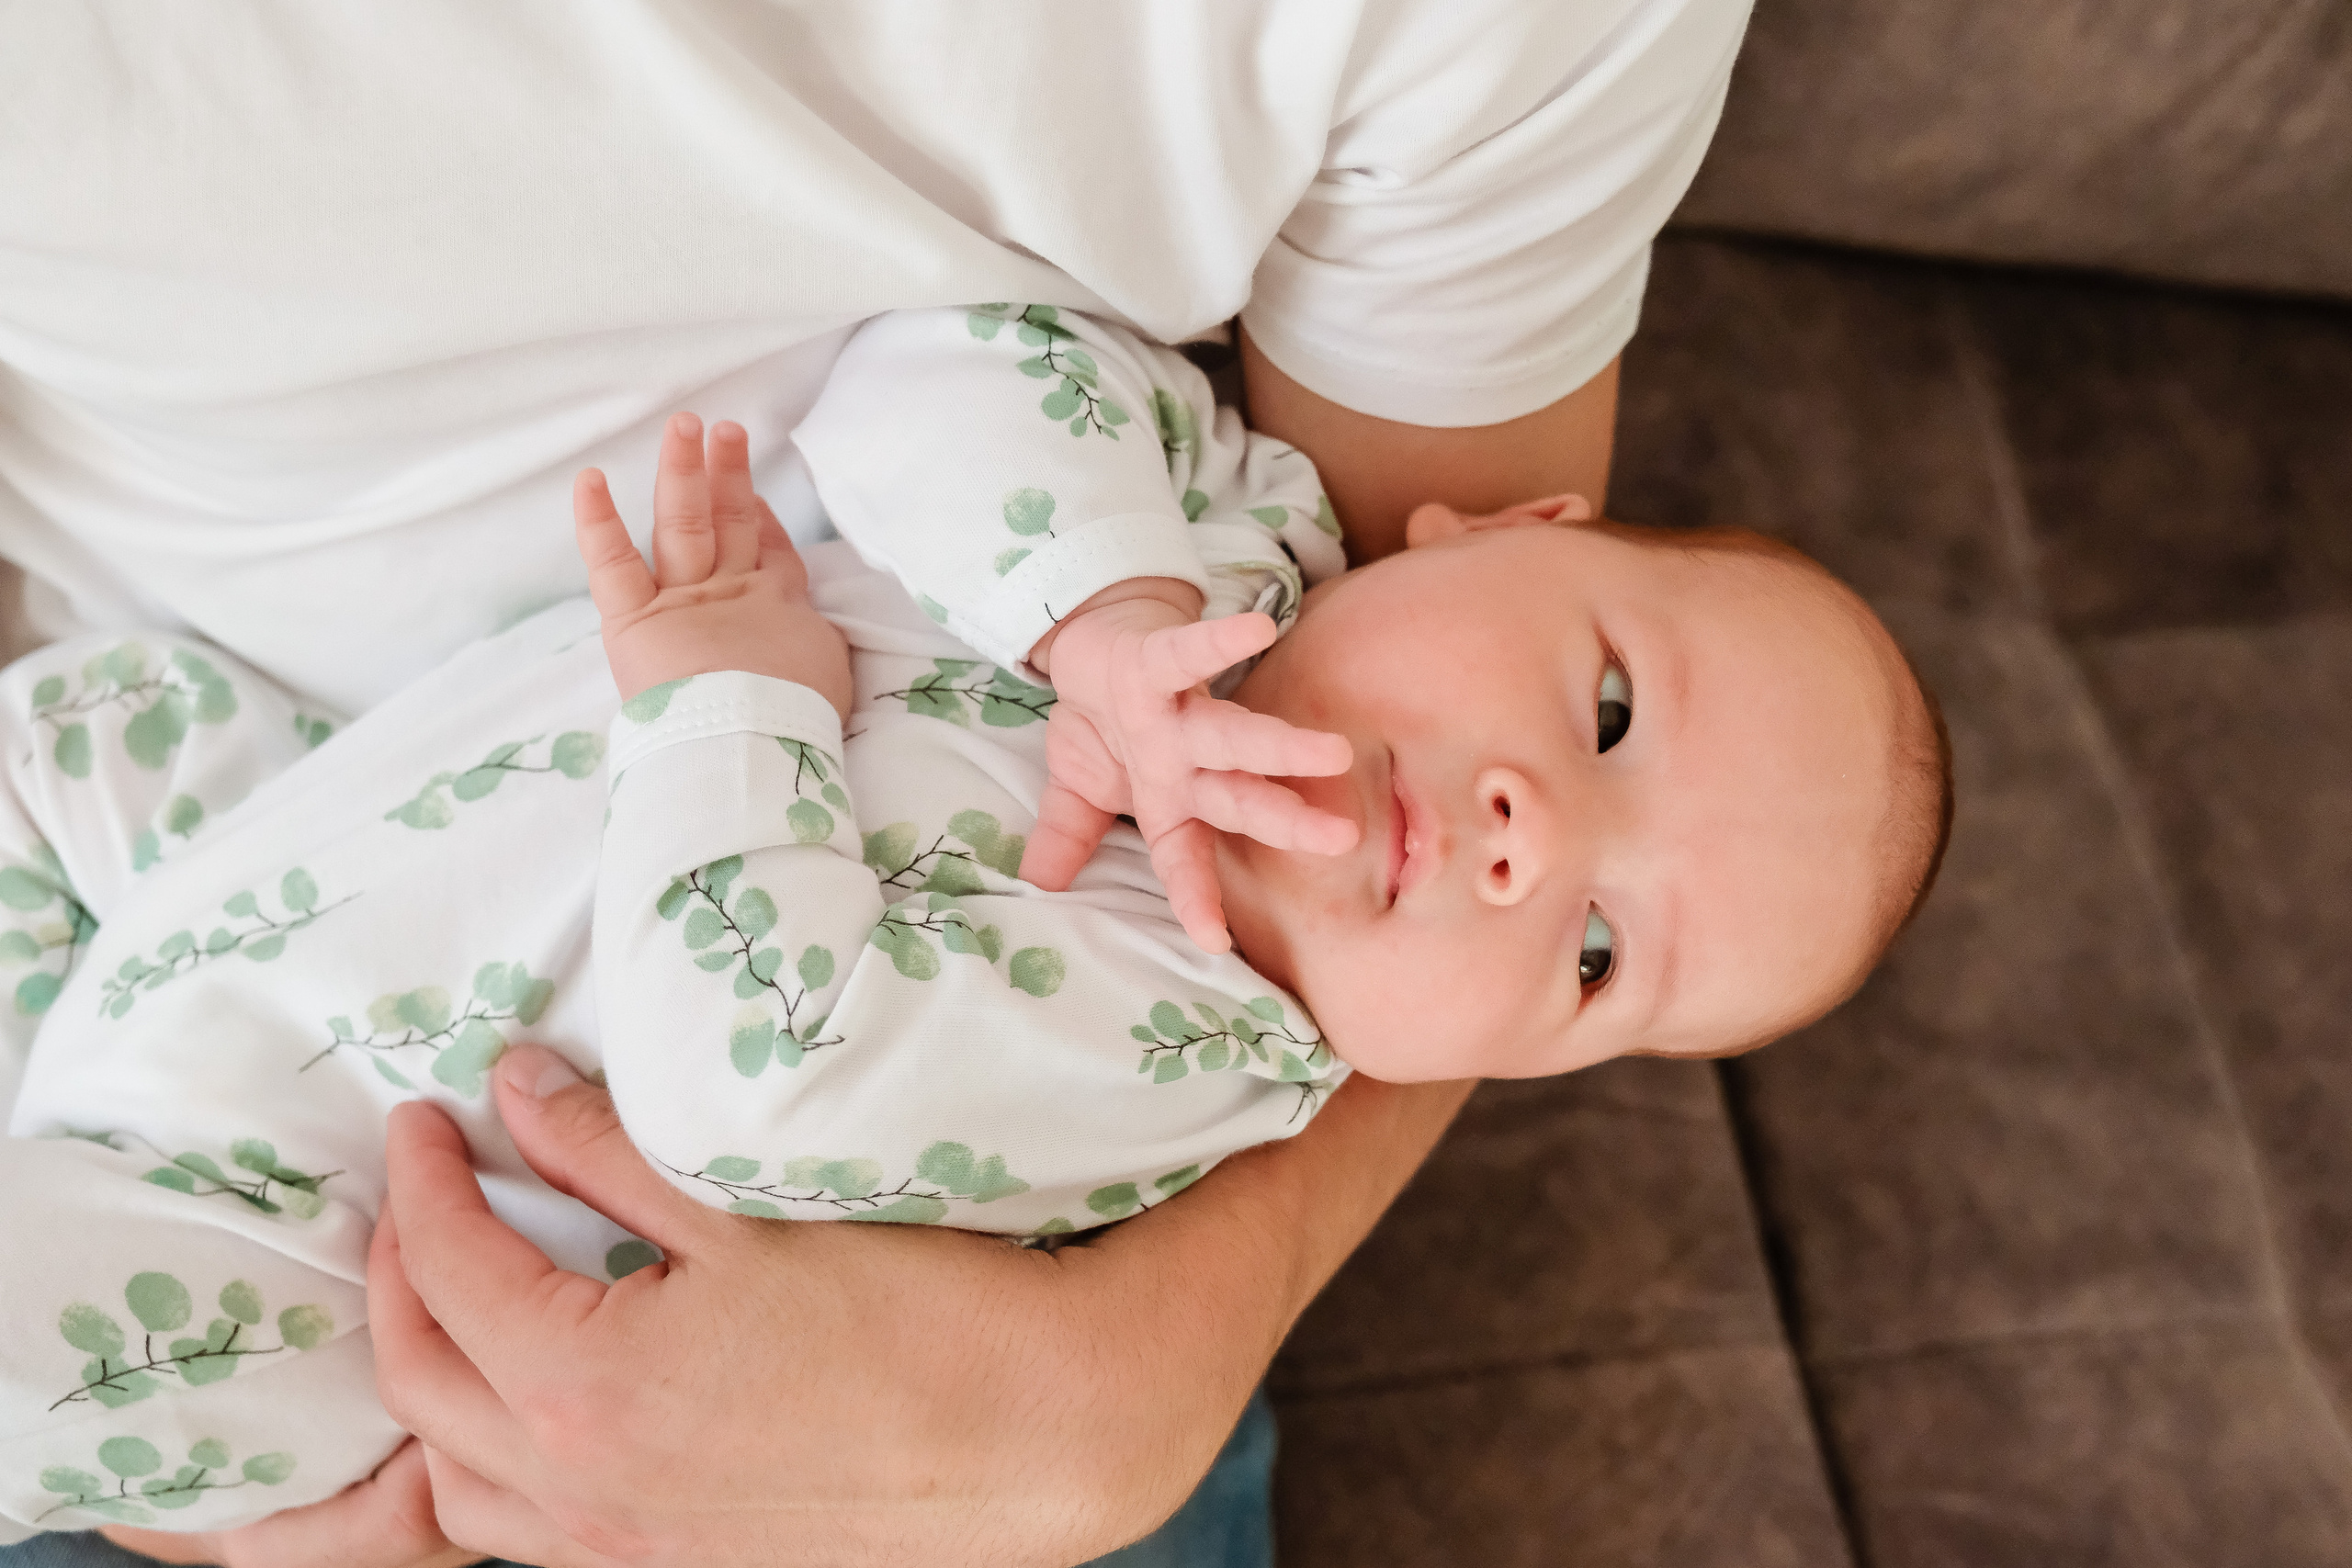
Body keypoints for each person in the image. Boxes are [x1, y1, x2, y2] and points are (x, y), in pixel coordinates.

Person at [0, 3, 1763, 1562]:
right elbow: (944, 361)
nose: (1539, 842)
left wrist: (738, 709)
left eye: (1600, 955)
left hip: (350, 1202)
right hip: (234, 801)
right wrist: (1108, 604)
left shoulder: (1183, 1039)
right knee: (70, 735)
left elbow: (754, 1078)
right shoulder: (1249, 532)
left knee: (95, 1358)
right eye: (1612, 714)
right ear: (1516, 535)